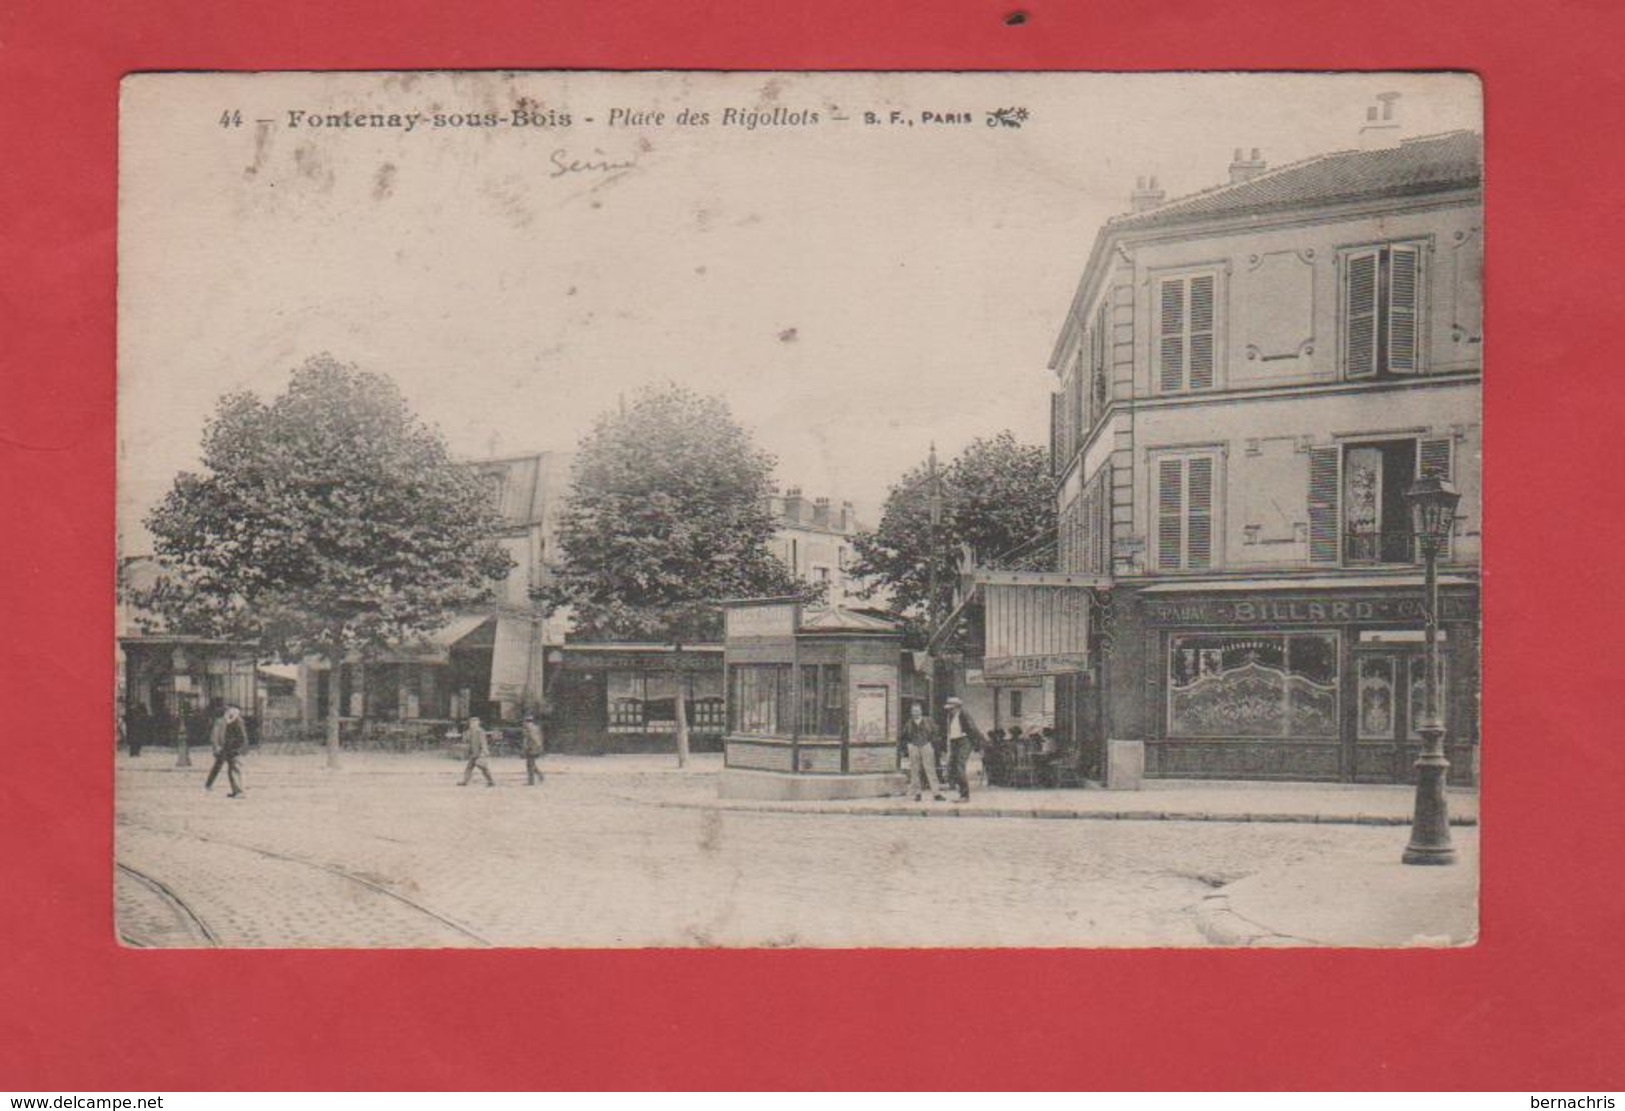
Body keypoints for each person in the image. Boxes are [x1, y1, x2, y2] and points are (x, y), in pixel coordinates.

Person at [940, 696, 986, 803]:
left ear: (957, 707)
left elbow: (972, 730)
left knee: (960, 766)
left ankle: (965, 795)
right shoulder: (950, 717)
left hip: (964, 740)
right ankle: (959, 790)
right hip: (955, 741)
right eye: (949, 709)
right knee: (952, 765)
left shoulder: (964, 715)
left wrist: (978, 747)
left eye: (952, 708)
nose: (950, 711)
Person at [901, 702, 946, 802]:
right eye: (913, 711)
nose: (915, 713)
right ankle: (917, 793)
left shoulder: (928, 721)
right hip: (914, 746)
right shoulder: (909, 723)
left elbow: (935, 732)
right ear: (911, 713)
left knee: (930, 769)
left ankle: (936, 793)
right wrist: (908, 746)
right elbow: (904, 736)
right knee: (914, 770)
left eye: (917, 711)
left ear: (921, 711)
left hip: (926, 745)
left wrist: (932, 744)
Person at [204, 705, 248, 797]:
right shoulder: (229, 721)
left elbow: (242, 737)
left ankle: (238, 791)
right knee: (230, 769)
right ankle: (236, 791)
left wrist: (240, 749)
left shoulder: (235, 721)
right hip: (228, 748)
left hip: (232, 748)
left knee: (231, 769)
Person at [459, 716, 495, 787]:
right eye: (471, 722)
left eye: (474, 722)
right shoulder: (469, 731)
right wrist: (465, 733)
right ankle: (465, 781)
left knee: (483, 768)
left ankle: (491, 781)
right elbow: (466, 740)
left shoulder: (480, 731)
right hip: (473, 752)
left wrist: (484, 752)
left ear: (477, 723)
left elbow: (483, 742)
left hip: (479, 752)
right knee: (469, 767)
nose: (472, 724)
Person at [521, 712, 545, 786]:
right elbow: (540, 738)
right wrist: (540, 746)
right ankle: (540, 775)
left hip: (530, 747)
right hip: (537, 747)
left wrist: (524, 748)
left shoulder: (527, 728)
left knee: (529, 764)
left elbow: (526, 739)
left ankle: (531, 781)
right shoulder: (536, 727)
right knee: (531, 763)